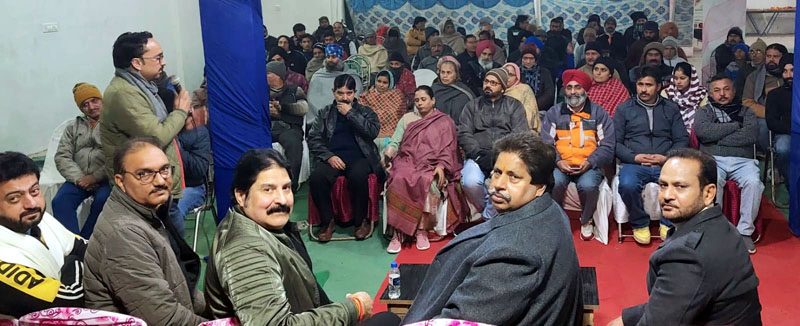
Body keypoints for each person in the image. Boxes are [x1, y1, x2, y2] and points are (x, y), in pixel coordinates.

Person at [403, 132, 583, 325]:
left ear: (539, 187)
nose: (498, 185)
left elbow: (460, 320)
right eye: (497, 173)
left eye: (513, 177)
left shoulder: (514, 255)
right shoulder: (550, 210)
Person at [203, 149, 399, 326]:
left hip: (305, 312)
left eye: (286, 188)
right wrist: (352, 308)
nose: (281, 199)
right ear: (241, 195)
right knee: (388, 320)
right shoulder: (244, 250)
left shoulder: (267, 227)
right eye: (268, 189)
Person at [608, 149, 762, 326]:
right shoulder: (721, 225)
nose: (667, 196)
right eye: (663, 185)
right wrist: (627, 318)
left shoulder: (688, 255)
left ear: (709, 193)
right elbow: (675, 302)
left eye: (680, 187)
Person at [84, 138, 207, 325]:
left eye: (165, 169)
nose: (160, 181)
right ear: (121, 181)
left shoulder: (150, 211)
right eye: (144, 174)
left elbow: (185, 290)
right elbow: (165, 319)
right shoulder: (124, 234)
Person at [100, 31, 190, 232]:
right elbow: (156, 138)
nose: (164, 62)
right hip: (143, 189)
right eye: (158, 57)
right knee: (168, 248)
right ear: (136, 63)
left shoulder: (143, 87)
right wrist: (181, 112)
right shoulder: (124, 93)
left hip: (154, 185)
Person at [0, 152, 87, 318]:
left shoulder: (40, 220)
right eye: (14, 198)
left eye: (34, 191)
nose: (31, 204)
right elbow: (69, 301)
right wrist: (73, 261)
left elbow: (86, 249)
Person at [384, 86, 465, 253]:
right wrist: (388, 155)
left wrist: (442, 166)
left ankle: (422, 230)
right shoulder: (407, 119)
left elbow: (449, 149)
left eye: (424, 99)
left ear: (433, 100)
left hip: (431, 165)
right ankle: (398, 233)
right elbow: (395, 143)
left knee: (426, 181)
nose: (420, 103)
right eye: (417, 100)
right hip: (407, 161)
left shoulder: (444, 121)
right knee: (398, 178)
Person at [615, 66, 689, 244]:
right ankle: (639, 223)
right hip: (635, 162)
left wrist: (667, 157)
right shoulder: (624, 109)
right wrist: (634, 157)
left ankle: (667, 221)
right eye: (640, 84)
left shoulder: (670, 108)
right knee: (627, 185)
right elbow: (615, 143)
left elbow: (682, 139)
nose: (643, 89)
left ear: (658, 87)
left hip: (665, 162)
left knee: (679, 184)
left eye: (648, 85)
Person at [308, 75, 384, 242]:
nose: (344, 97)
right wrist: (329, 156)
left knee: (358, 176)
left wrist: (350, 113)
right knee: (317, 178)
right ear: (333, 92)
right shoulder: (325, 113)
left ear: (355, 92)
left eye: (349, 93)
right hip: (333, 157)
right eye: (340, 93)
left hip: (360, 157)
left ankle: (360, 222)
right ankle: (327, 222)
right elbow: (313, 138)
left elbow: (373, 132)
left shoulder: (365, 111)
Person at [542, 70, 615, 241]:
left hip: (589, 164)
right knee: (555, 182)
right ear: (564, 91)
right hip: (560, 164)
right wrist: (558, 161)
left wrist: (590, 162)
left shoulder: (598, 113)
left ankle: (586, 220)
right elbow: (545, 143)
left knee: (589, 185)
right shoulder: (554, 113)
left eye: (578, 87)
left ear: (586, 90)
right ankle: (556, 221)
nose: (573, 92)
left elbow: (608, 146)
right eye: (569, 88)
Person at [694, 74, 763, 254]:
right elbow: (703, 133)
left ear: (733, 91)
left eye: (726, 89)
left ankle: (745, 232)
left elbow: (750, 136)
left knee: (754, 183)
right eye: (717, 90)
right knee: (713, 182)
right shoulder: (705, 111)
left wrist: (717, 137)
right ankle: (714, 231)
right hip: (714, 158)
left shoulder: (746, 111)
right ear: (710, 93)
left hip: (744, 161)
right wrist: (734, 126)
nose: (722, 94)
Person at [459, 68, 528, 220]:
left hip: (505, 157)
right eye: (486, 81)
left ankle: (487, 217)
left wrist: (500, 155)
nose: (488, 85)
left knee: (500, 185)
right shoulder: (472, 106)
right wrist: (477, 154)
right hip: (477, 154)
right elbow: (464, 132)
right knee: (470, 182)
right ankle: (489, 211)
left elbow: (520, 133)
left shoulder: (514, 105)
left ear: (503, 87)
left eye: (493, 83)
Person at [51, 82, 110, 238]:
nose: (91, 107)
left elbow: (118, 156)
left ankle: (85, 243)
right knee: (60, 201)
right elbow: (62, 156)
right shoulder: (73, 127)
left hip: (107, 178)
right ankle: (71, 244)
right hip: (79, 179)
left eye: (94, 100)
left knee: (104, 201)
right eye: (85, 104)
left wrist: (95, 177)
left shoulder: (113, 123)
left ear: (101, 100)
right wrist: (79, 179)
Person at [268, 61, 308, 192]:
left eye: (268, 73)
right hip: (268, 128)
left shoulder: (295, 90)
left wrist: (282, 109)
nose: (265, 76)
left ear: (278, 75)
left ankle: (291, 183)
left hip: (289, 128)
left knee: (293, 143)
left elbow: (303, 108)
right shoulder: (260, 92)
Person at [743, 43, 787, 153]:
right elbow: (747, 102)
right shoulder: (754, 77)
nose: (771, 60)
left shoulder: (789, 76)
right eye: (768, 56)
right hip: (764, 116)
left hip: (787, 116)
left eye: (776, 57)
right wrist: (769, 113)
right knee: (762, 126)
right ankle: (768, 155)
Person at [306, 44, 363, 123]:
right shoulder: (317, 76)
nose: (330, 60)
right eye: (328, 57)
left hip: (347, 115)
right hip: (322, 118)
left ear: (340, 58)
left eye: (333, 57)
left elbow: (357, 98)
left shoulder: (352, 76)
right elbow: (313, 100)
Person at [359, 70, 407, 154]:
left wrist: (377, 113)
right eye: (379, 81)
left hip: (391, 135)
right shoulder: (366, 96)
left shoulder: (397, 96)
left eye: (385, 83)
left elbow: (399, 115)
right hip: (370, 134)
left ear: (390, 83)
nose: (381, 85)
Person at [766, 53, 793, 191]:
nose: (788, 75)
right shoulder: (774, 95)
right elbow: (771, 122)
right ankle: (792, 184)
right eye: (785, 71)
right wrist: (792, 129)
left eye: (792, 70)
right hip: (785, 133)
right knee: (783, 148)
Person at [661, 62, 708, 135]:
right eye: (676, 78)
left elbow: (703, 118)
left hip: (697, 133)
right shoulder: (667, 93)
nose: (678, 82)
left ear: (691, 78)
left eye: (682, 78)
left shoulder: (701, 93)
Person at [503, 63, 541, 132]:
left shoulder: (524, 89)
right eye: (504, 74)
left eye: (511, 75)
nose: (507, 77)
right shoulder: (497, 90)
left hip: (521, 128)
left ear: (517, 76)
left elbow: (529, 114)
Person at [518, 43, 555, 112]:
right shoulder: (517, 72)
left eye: (531, 58)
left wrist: (534, 105)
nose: (528, 61)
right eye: (525, 58)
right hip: (519, 108)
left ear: (535, 59)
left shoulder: (544, 72)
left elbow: (549, 93)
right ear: (521, 59)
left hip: (540, 109)